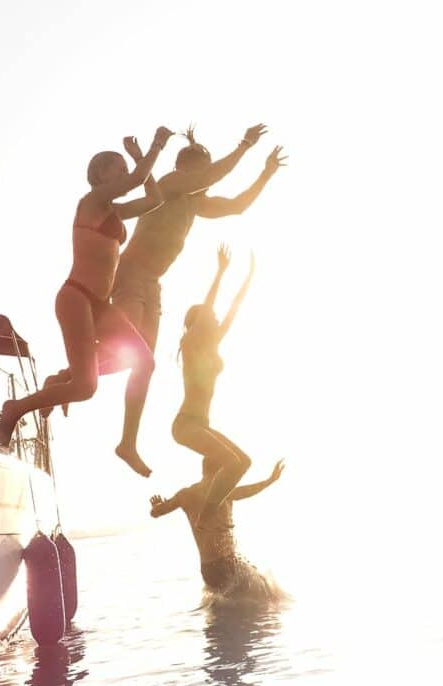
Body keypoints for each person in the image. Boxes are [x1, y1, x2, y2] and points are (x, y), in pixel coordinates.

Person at [110, 125, 287, 476]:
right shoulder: (172, 184)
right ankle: (68, 379)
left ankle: (127, 442)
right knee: (124, 352)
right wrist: (245, 144)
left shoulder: (194, 202)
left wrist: (265, 173)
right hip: (130, 274)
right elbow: (216, 173)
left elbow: (237, 206)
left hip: (153, 284)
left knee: (141, 363)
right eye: (202, 173)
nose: (208, 181)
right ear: (187, 169)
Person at [0, 126, 174, 456]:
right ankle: (14, 410)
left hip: (101, 305)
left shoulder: (114, 211)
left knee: (144, 361)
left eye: (124, 167)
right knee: (86, 387)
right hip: (76, 297)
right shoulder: (91, 201)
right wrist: (156, 146)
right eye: (118, 167)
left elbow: (156, 200)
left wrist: (138, 158)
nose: (125, 172)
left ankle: (120, 438)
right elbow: (135, 181)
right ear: (100, 175)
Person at [172, 243, 255, 516]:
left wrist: (249, 276)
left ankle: (210, 514)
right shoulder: (191, 342)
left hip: (201, 424)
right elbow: (209, 308)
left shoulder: (212, 344)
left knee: (243, 462)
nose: (216, 318)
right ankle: (205, 518)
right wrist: (220, 272)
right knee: (232, 463)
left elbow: (233, 309)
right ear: (199, 322)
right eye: (210, 317)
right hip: (186, 424)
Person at [150, 457, 285, 597]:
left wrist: (156, 507)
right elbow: (249, 490)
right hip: (228, 563)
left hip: (208, 567)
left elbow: (155, 513)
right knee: (261, 596)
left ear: (203, 470)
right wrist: (270, 480)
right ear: (222, 471)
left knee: (221, 611)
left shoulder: (185, 494)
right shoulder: (225, 491)